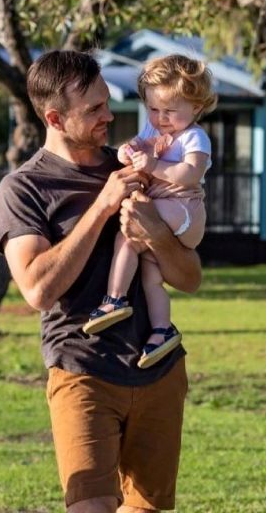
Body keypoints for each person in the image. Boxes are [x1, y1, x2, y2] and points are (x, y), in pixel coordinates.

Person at [0, 50, 202, 512]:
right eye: (93, 109)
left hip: (159, 373)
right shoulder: (23, 189)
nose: (110, 115)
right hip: (82, 372)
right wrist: (104, 205)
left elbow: (189, 278)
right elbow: (36, 289)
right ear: (54, 117)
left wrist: (158, 235)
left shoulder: (138, 165)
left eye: (108, 102)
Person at [84, 55, 215, 369]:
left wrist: (155, 165)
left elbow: (191, 174)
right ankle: (161, 330)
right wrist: (128, 151)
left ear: (196, 107)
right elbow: (137, 148)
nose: (161, 118)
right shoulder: (154, 128)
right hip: (165, 207)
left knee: (129, 233)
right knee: (151, 275)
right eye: (154, 109)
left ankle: (114, 299)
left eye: (170, 111)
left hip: (184, 208)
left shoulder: (194, 137)